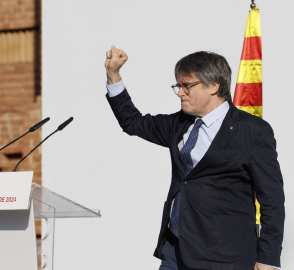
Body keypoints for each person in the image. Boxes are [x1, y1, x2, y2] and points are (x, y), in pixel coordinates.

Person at [104, 46, 284, 270]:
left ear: (214, 86)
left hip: (224, 257)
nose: (180, 92)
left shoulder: (251, 130)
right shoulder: (179, 123)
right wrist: (113, 75)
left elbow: (272, 198)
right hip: (175, 250)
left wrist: (268, 257)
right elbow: (132, 122)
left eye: (187, 86)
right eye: (178, 86)